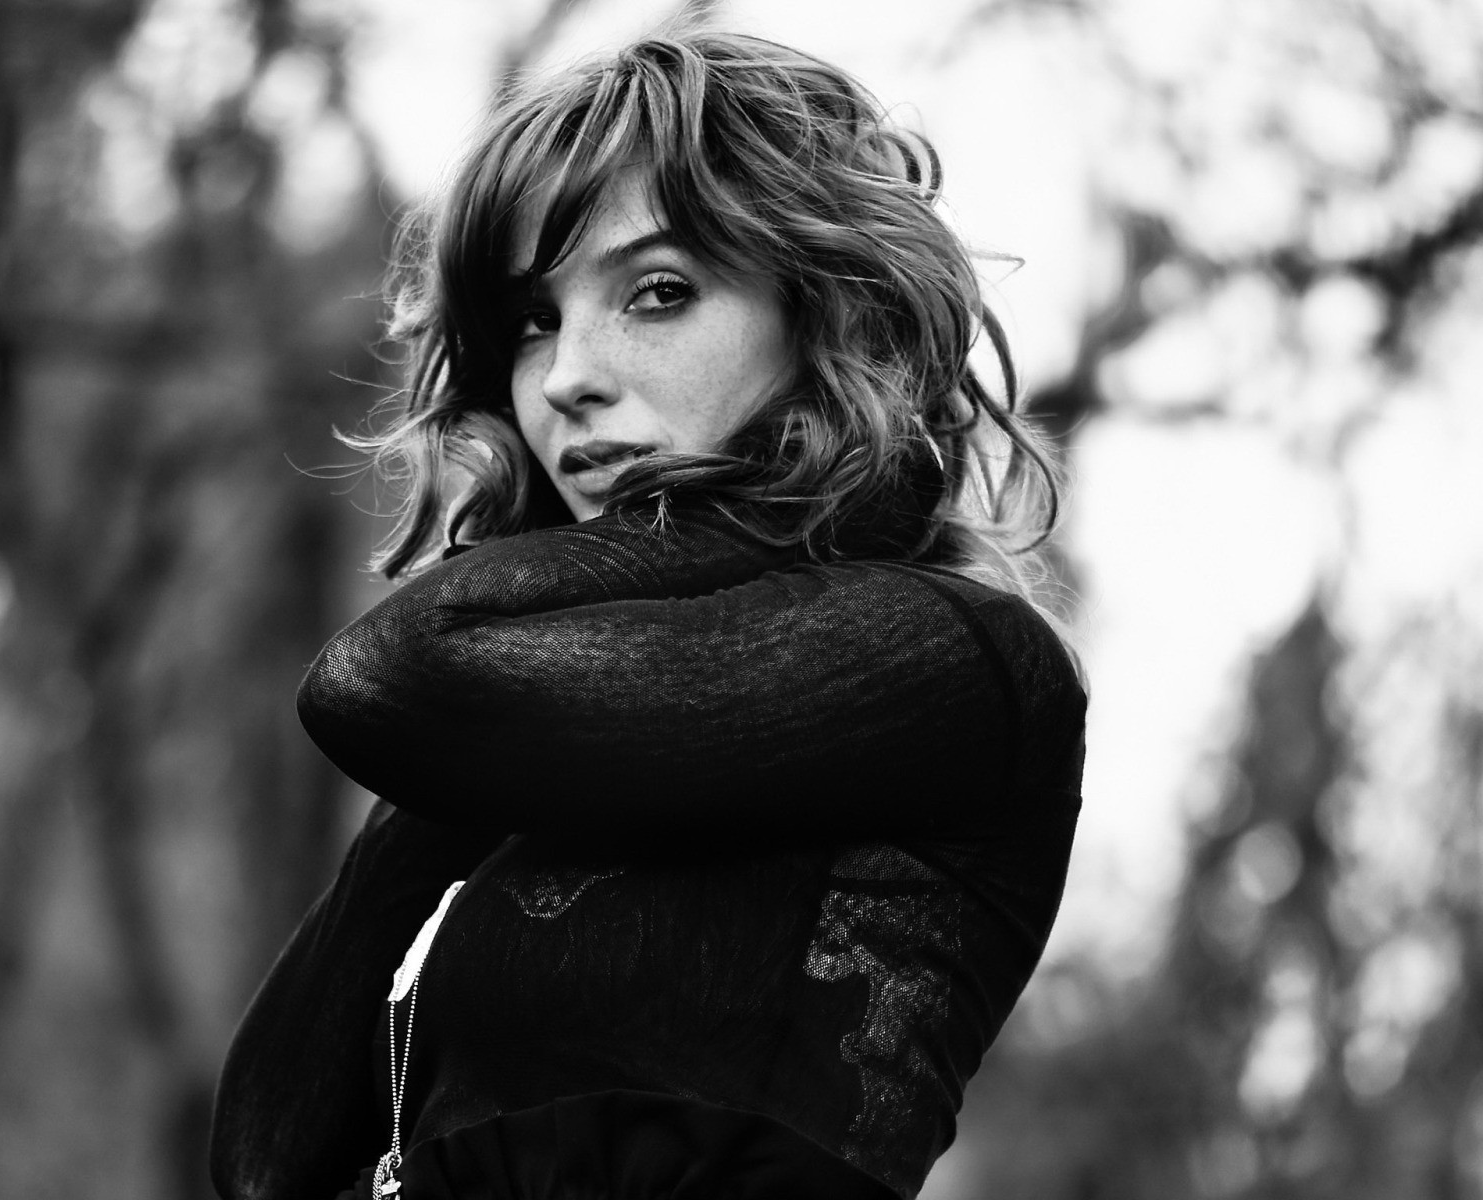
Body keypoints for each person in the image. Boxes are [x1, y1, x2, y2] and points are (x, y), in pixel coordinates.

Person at [211, 30, 1087, 1200]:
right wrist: (619, 564)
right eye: (535, 321)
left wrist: (767, 512)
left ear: (830, 312)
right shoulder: (521, 736)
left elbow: (378, 674)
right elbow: (264, 1154)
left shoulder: (958, 663)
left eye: (658, 293)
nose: (566, 376)